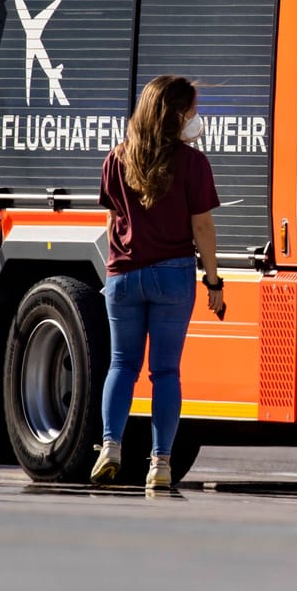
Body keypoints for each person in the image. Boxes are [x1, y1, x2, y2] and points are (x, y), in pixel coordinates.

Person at [91, 75, 224, 494]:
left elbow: (112, 220)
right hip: (172, 276)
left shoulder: (116, 159)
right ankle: (160, 463)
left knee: (121, 365)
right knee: (165, 371)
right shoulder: (192, 163)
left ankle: (110, 446)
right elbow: (201, 226)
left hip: (123, 278)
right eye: (192, 110)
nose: (196, 117)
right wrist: (214, 280)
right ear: (176, 115)